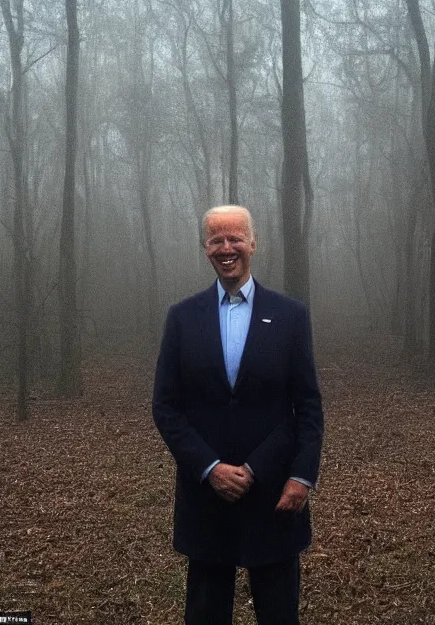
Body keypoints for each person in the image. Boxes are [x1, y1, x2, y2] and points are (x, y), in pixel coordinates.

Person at [153, 204, 324, 625]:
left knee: (279, 615)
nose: (226, 248)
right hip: (207, 499)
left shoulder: (290, 316)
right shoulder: (182, 318)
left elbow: (307, 405)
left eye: (235, 238)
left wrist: (301, 477)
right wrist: (209, 467)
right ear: (205, 247)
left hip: (275, 495)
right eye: (216, 239)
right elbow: (166, 406)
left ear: (253, 243)